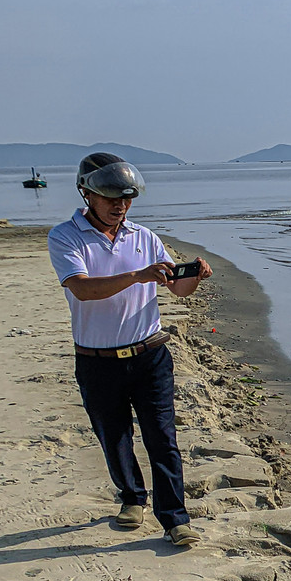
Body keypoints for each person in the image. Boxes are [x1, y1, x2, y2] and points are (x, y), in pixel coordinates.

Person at [47, 152, 212, 546]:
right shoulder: (65, 236)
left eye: (126, 198)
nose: (119, 206)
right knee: (114, 435)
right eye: (110, 198)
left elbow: (177, 288)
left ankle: (175, 519)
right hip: (97, 359)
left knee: (162, 436)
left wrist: (196, 276)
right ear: (86, 193)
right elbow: (84, 290)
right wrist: (139, 275)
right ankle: (132, 498)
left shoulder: (144, 237)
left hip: (150, 353)